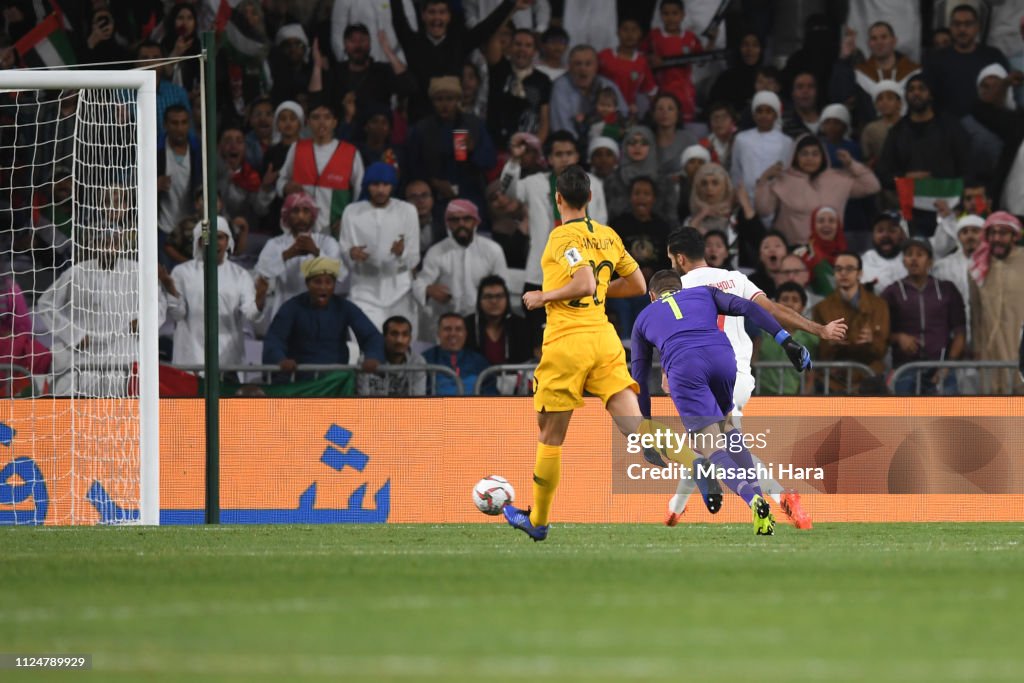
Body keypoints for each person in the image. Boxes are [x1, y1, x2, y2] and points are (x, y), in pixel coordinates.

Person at [500, 165, 654, 541]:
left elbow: (583, 282)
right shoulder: (607, 235)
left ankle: (537, 521)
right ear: (589, 198)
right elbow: (638, 284)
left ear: (557, 199)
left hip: (568, 340)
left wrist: (544, 296)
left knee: (550, 435)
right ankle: (694, 463)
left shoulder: (560, 237)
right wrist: (601, 293)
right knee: (637, 427)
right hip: (604, 338)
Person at [662, 227, 847, 528]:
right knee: (705, 446)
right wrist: (819, 330)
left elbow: (673, 336)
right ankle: (674, 510)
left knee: (715, 446)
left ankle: (779, 496)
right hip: (740, 375)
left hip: (701, 374)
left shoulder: (677, 289)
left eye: (671, 258)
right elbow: (771, 310)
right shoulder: (735, 279)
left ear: (679, 258)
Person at [632, 270, 813, 535]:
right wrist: (785, 340)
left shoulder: (643, 318)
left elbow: (639, 376)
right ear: (680, 289)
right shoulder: (703, 292)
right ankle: (760, 496)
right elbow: (749, 307)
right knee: (728, 428)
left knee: (708, 446)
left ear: (652, 296)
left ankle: (755, 500)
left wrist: (646, 428)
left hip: (685, 365)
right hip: (723, 358)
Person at [499, 131, 608, 342]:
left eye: (569, 153)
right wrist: (514, 160)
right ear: (548, 159)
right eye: (558, 154)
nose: (565, 158)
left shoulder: (593, 184)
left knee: (580, 340)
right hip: (540, 275)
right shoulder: (534, 183)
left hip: (584, 276)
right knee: (540, 341)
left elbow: (601, 225)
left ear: (577, 156)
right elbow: (507, 191)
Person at [262, 257, 384, 381]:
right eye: (317, 282)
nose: (323, 287)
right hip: (298, 382)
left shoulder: (345, 307)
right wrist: (280, 360)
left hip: (335, 382)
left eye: (328, 282)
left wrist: (373, 357)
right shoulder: (291, 307)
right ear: (307, 284)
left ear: (334, 285)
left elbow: (371, 336)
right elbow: (275, 339)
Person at [166, 218, 264, 368]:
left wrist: (260, 297)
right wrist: (170, 289)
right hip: (190, 361)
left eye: (220, 237)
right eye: (208, 237)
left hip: (228, 362)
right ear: (199, 242)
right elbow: (178, 314)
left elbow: (252, 314)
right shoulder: (182, 273)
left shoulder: (240, 275)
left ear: (228, 241)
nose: (214, 242)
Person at [754, 134, 880, 246]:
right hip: (793, 249)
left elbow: (872, 186)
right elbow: (763, 210)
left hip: (830, 247)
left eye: (815, 154)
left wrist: (851, 164)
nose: (810, 158)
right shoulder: (783, 179)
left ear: (823, 156)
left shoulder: (838, 178)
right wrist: (764, 180)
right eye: (804, 154)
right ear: (795, 156)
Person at [338, 162, 419, 333]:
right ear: (367, 186)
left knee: (400, 346)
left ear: (393, 186)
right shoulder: (352, 212)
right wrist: (351, 254)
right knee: (364, 345)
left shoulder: (407, 211)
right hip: (364, 290)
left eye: (385, 185)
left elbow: (414, 257)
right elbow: (344, 249)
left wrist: (402, 252)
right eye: (375, 185)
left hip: (400, 291)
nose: (381, 190)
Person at [412, 199, 509, 337]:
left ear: (476, 222)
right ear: (448, 224)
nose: (461, 224)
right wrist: (428, 290)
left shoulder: (492, 250)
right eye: (455, 220)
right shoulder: (436, 251)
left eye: (466, 219)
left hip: (482, 322)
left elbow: (503, 288)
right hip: (447, 323)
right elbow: (419, 284)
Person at [882, 237, 965, 395]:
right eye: (909, 254)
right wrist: (899, 337)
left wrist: (948, 365)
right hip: (904, 369)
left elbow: (960, 332)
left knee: (946, 419)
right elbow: (880, 331)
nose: (914, 259)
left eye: (920, 254)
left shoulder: (947, 290)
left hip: (941, 370)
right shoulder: (891, 292)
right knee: (905, 419)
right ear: (903, 261)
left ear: (930, 261)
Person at [275, 101, 365, 237]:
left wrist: (349, 219)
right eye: (316, 117)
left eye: (327, 117)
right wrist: (285, 187)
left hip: (336, 233)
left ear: (335, 122)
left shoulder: (351, 152)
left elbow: (360, 191)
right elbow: (282, 180)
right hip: (300, 232)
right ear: (308, 122)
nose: (321, 122)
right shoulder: (297, 148)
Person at [812, 251, 890, 388]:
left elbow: (882, 349)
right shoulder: (821, 308)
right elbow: (820, 353)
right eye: (838, 269)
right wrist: (831, 343)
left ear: (860, 273)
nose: (843, 273)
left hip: (870, 378)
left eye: (849, 269)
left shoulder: (879, 305)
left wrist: (872, 340)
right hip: (834, 381)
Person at [924, 4, 1012, 119]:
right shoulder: (935, 59)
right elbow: (928, 97)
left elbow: (1005, 95)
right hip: (947, 127)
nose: (962, 29)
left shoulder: (993, 56)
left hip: (989, 125)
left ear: (977, 27)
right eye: (957, 24)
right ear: (950, 27)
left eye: (968, 24)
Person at [969, 212, 1024, 393]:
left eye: (1003, 233)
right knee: (993, 407)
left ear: (1014, 236)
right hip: (990, 348)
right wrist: (977, 346)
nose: (996, 239)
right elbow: (975, 312)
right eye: (992, 233)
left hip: (1019, 344)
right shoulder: (977, 266)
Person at [646, 0, 716, 123]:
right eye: (666, 14)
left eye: (675, 13)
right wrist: (650, 59)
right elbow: (641, 57)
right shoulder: (654, 36)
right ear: (660, 15)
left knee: (685, 125)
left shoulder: (690, 38)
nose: (670, 18)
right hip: (662, 91)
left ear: (683, 15)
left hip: (685, 93)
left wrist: (711, 42)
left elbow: (701, 61)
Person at [485, 27, 552, 148]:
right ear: (509, 47)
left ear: (535, 51)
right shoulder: (499, 69)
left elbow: (544, 120)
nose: (522, 49)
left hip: (526, 147)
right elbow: (493, 36)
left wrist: (535, 147)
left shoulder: (543, 80)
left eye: (528, 45)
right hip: (495, 145)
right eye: (518, 44)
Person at [755, 281, 820, 395]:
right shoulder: (760, 333)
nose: (789, 304)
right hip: (760, 399)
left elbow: (810, 377)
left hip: (793, 402)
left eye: (795, 300)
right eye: (785, 299)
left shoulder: (811, 339)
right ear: (775, 304)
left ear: (803, 307)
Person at [549, 44, 628, 136]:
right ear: (569, 67)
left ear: (596, 66)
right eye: (578, 64)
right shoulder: (561, 86)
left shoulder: (608, 85)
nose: (583, 68)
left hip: (606, 140)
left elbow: (624, 115)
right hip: (571, 143)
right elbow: (561, 126)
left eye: (588, 64)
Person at [730, 92, 793, 206]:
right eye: (759, 111)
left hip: (774, 199)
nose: (764, 115)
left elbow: (786, 171)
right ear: (754, 115)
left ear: (776, 115)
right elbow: (736, 171)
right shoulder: (741, 139)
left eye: (768, 111)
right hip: (746, 200)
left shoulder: (786, 142)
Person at [465, 275, 535, 366]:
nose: (494, 301)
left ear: (507, 299)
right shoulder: (467, 325)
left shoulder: (521, 325)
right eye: (488, 296)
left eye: (499, 296)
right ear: (479, 301)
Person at [357, 315, 428, 397]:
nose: (399, 340)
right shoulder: (366, 360)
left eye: (405, 334)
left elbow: (417, 401)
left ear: (410, 339)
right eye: (394, 334)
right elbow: (363, 400)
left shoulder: (417, 362)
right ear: (384, 337)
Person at [598, 17, 657, 115]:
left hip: (627, 115)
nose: (630, 34)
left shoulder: (642, 62)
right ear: (617, 32)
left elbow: (651, 92)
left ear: (640, 33)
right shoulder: (603, 56)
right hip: (602, 112)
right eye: (625, 29)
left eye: (634, 30)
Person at [422, 312, 490, 395]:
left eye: (458, 329)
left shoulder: (479, 361)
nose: (453, 334)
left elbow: (490, 394)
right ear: (438, 333)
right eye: (447, 329)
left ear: (465, 334)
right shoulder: (425, 359)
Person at [861, 211, 908, 293]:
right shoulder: (862, 262)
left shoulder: (912, 259)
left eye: (892, 230)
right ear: (873, 235)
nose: (885, 235)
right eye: (880, 231)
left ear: (902, 234)